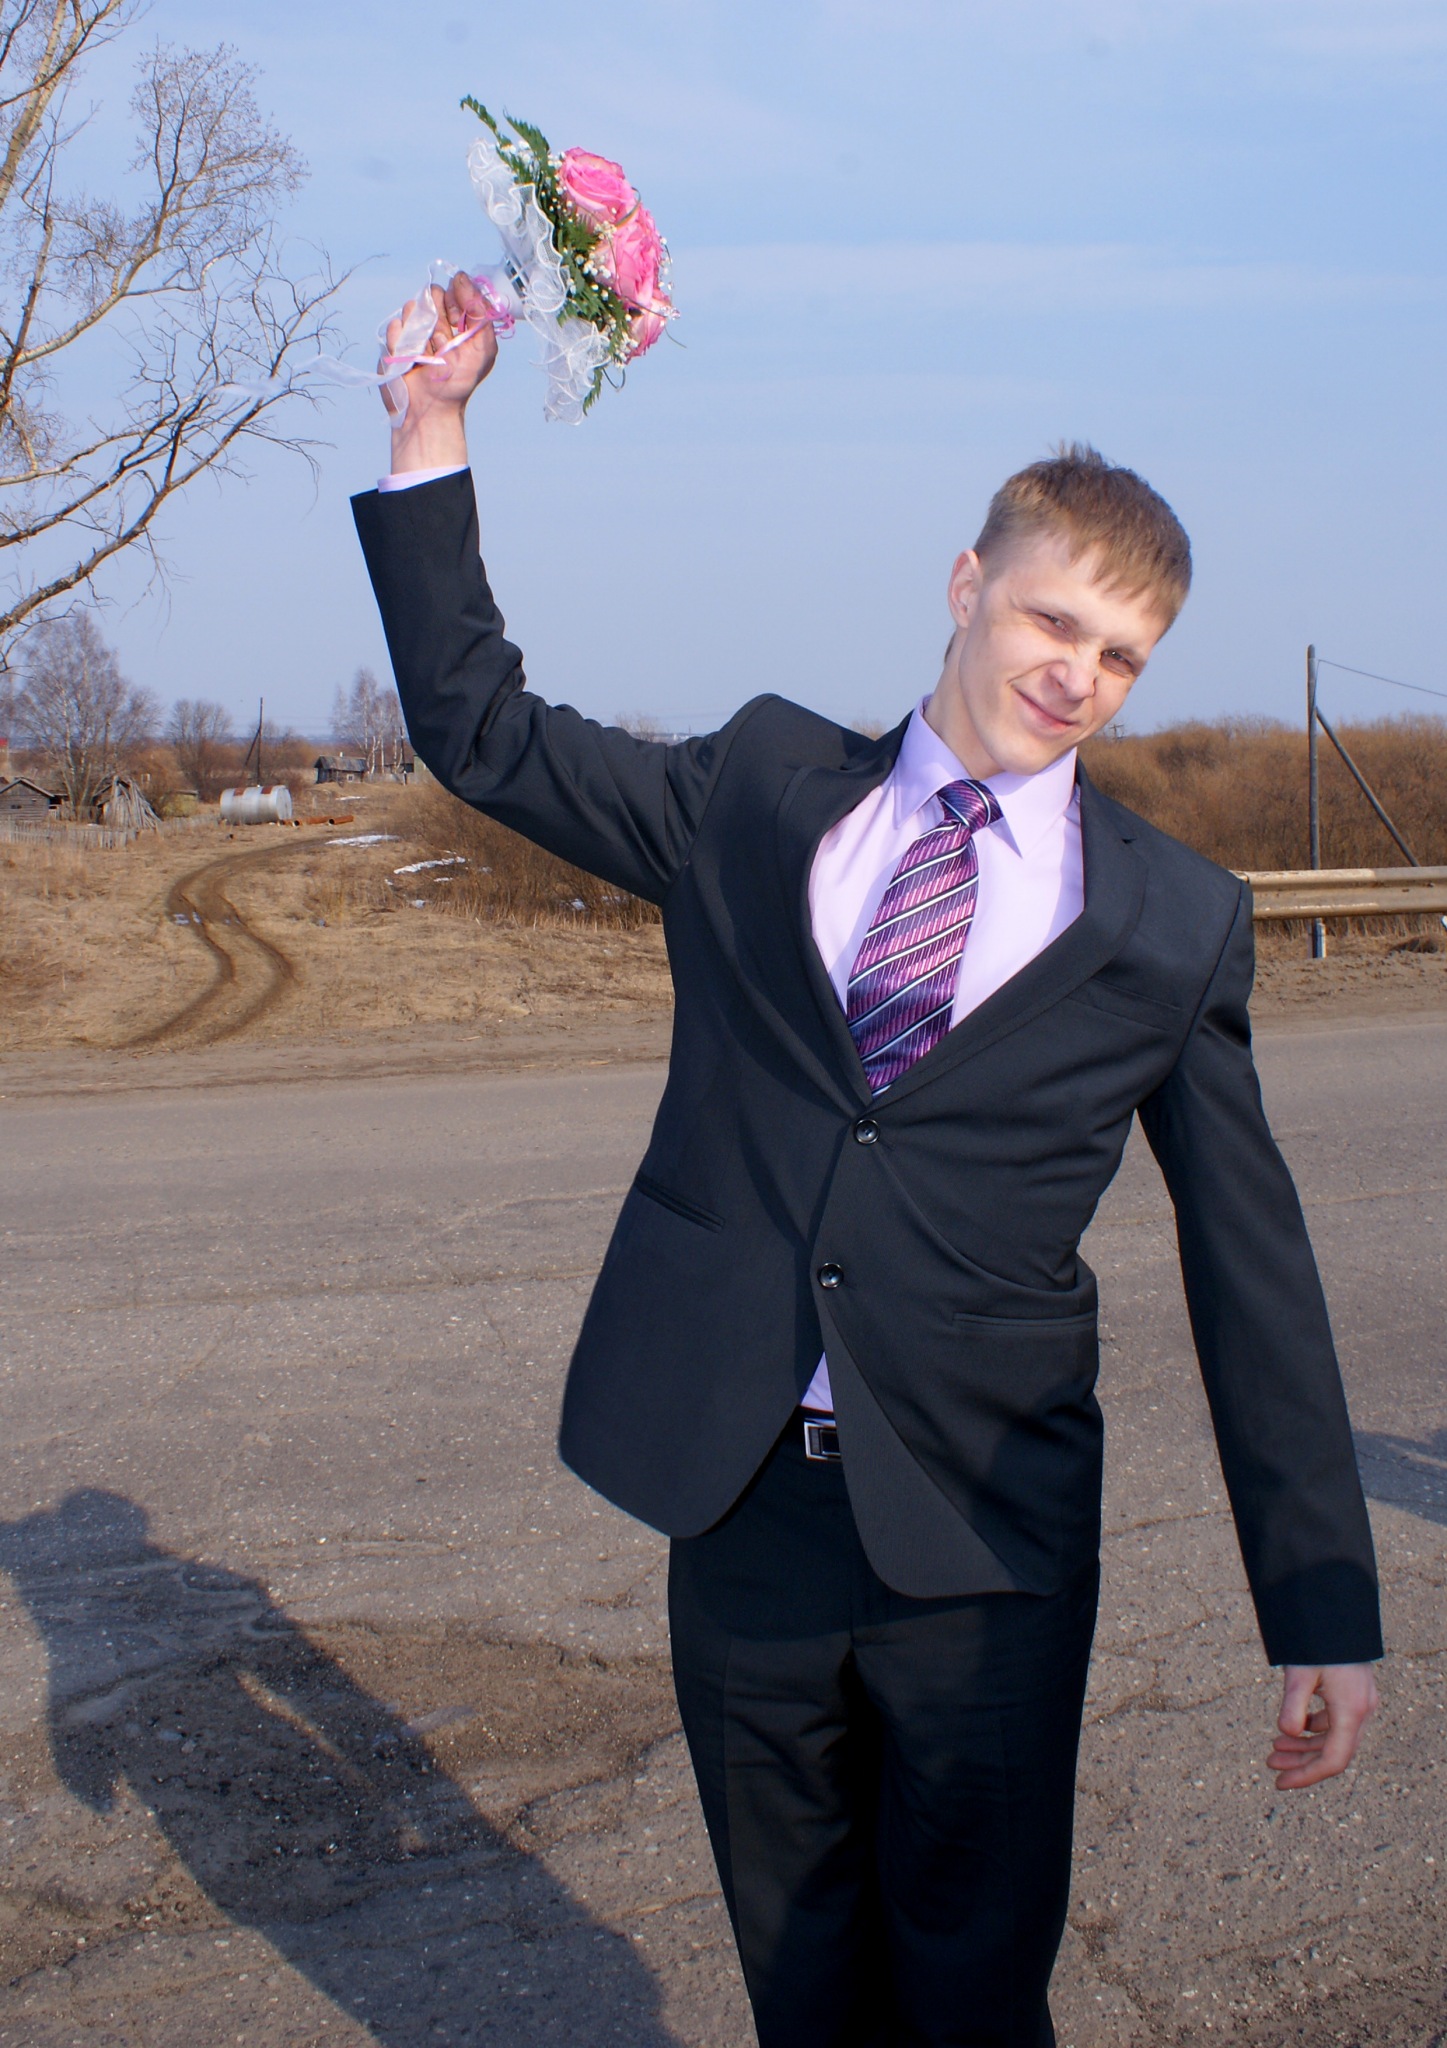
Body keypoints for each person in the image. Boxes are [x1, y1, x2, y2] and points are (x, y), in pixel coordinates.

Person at [352, 275, 1382, 2048]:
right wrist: (435, 432)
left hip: (986, 1535)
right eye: (1052, 619)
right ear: (967, 584)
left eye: (1121, 656)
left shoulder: (1172, 924)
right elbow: (484, 732)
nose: (1076, 675)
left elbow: (1253, 1275)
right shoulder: (759, 790)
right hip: (743, 1497)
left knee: (973, 1995)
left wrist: (1321, 1605)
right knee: (804, 1987)